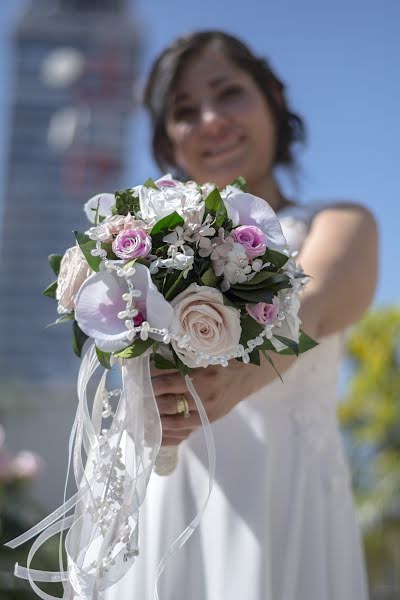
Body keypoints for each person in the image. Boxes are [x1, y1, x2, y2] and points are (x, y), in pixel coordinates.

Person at [106, 30, 378, 600]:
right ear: (168, 144)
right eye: (184, 112)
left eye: (228, 93)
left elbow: (321, 300)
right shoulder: (144, 253)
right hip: (165, 506)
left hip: (286, 505)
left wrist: (240, 374)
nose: (210, 121)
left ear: (273, 96)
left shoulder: (340, 222)